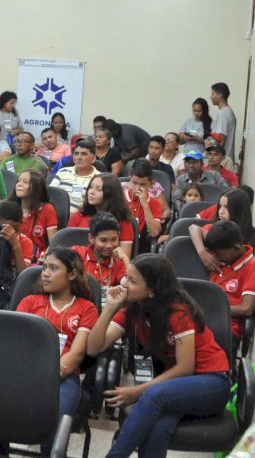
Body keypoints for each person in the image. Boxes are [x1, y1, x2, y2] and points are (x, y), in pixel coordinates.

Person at [87, 254, 230, 458]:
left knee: (154, 395)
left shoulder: (178, 310)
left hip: (211, 383)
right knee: (157, 428)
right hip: (175, 389)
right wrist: (110, 308)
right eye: (126, 277)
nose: (124, 284)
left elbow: (185, 368)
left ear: (152, 291)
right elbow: (94, 348)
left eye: (133, 281)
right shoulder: (133, 308)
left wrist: (137, 392)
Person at [0, 247, 97, 456]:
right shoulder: (30, 302)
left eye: (53, 268)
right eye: (44, 267)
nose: (45, 273)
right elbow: (16, 344)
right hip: (22, 372)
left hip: (63, 378)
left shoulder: (86, 308)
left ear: (72, 274)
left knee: (52, 424)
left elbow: (77, 354)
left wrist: (48, 375)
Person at [203, 220, 255, 348]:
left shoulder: (251, 266)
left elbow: (247, 309)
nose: (213, 257)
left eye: (217, 253)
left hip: (226, 326)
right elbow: (194, 228)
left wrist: (210, 310)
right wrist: (201, 251)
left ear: (236, 248)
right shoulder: (223, 255)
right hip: (204, 320)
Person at [0, 201, 33, 308]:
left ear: (21, 223)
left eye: (13, 229)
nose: (7, 233)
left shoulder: (25, 243)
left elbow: (23, 276)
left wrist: (16, 246)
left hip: (10, 293)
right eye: (2, 228)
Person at [68, 173, 135, 257]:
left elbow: (124, 260)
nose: (91, 192)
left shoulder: (124, 223)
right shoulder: (78, 215)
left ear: (110, 194)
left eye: (98, 189)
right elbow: (67, 248)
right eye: (91, 187)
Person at [190, 188, 254, 272]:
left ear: (238, 210)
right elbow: (193, 228)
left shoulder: (251, 237)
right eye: (220, 206)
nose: (221, 211)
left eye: (226, 207)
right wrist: (202, 252)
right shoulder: (216, 230)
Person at [73, 212, 130, 297]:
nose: (109, 245)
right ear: (91, 238)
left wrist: (125, 258)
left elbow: (128, 284)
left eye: (114, 239)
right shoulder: (77, 253)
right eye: (103, 240)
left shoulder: (118, 262)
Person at [8, 168, 57, 258]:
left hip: (37, 260)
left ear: (36, 187)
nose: (19, 184)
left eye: (25, 182)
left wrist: (45, 256)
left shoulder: (47, 209)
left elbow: (53, 244)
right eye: (18, 181)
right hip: (11, 257)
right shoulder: (9, 207)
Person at [50, 139, 100, 214]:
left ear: (93, 158)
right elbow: (51, 195)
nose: (79, 157)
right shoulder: (62, 171)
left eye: (84, 154)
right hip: (56, 215)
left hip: (83, 218)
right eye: (76, 153)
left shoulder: (99, 178)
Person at [211, 82, 236, 159]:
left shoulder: (223, 113)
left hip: (222, 160)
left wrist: (211, 155)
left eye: (213, 94)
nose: (210, 97)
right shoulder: (228, 111)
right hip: (225, 158)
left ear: (220, 95)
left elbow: (220, 140)